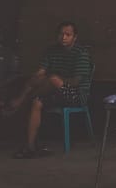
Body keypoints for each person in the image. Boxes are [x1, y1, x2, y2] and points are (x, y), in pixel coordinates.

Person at [8, 21, 93, 158]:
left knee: (52, 79)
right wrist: (42, 78)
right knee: (37, 101)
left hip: (75, 94)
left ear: (74, 37)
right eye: (61, 34)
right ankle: (30, 147)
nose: (63, 37)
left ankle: (20, 102)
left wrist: (57, 80)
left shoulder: (81, 53)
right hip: (51, 91)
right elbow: (40, 72)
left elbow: (77, 81)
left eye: (68, 35)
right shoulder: (51, 51)